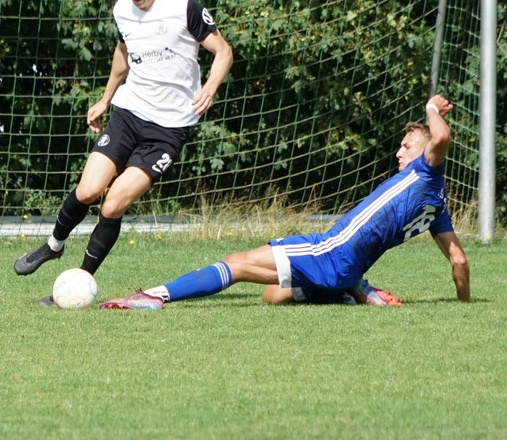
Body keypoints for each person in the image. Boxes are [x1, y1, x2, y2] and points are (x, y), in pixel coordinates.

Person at [100, 95, 471, 310]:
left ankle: (154, 297)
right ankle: (349, 290)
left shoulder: (426, 172)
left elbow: (440, 137)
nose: (398, 152)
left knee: (236, 263)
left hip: (331, 250)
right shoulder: (436, 205)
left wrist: (431, 108)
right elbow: (458, 260)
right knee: (272, 296)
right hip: (344, 264)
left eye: (407, 146)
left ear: (426, 153)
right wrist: (463, 306)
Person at [13, 0, 234, 302]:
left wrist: (209, 88)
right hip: (129, 113)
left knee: (113, 204)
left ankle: (78, 283)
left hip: (168, 129)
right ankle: (53, 245)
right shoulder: (122, 9)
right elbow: (123, 52)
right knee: (88, 189)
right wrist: (105, 98)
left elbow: (223, 51)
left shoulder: (183, 6)